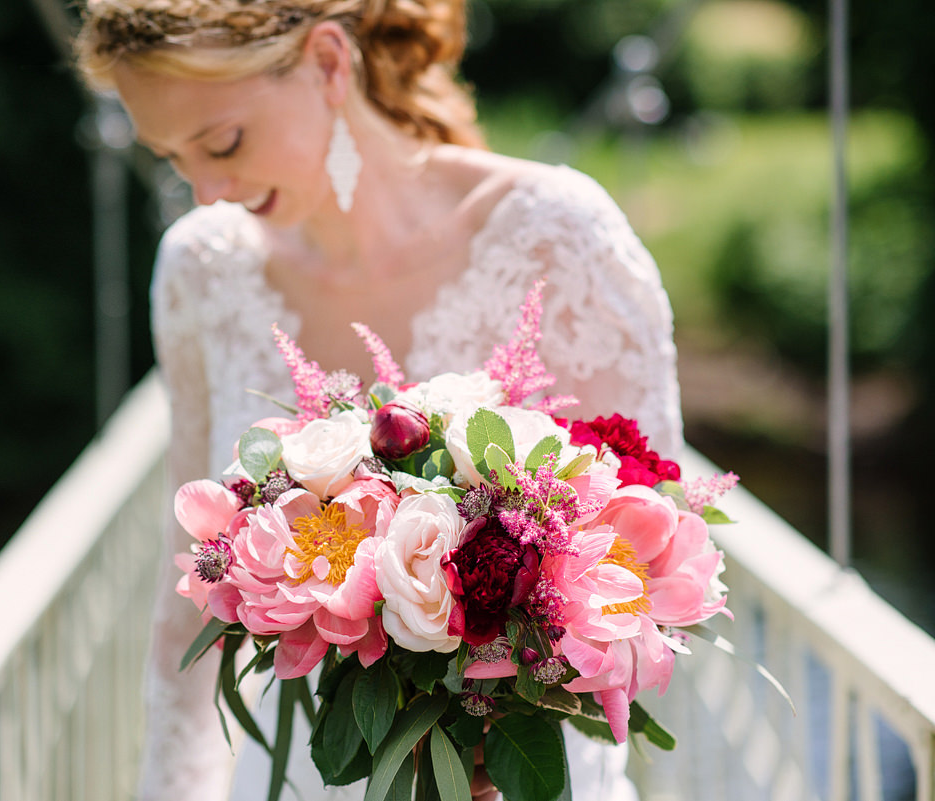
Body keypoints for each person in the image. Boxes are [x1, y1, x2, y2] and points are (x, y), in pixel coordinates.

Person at [74, 1, 681, 799]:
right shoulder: (200, 270)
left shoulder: (560, 237)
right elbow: (187, 585)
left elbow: (657, 563)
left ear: (330, 63)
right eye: (172, 157)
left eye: (223, 142)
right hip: (301, 770)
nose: (207, 190)